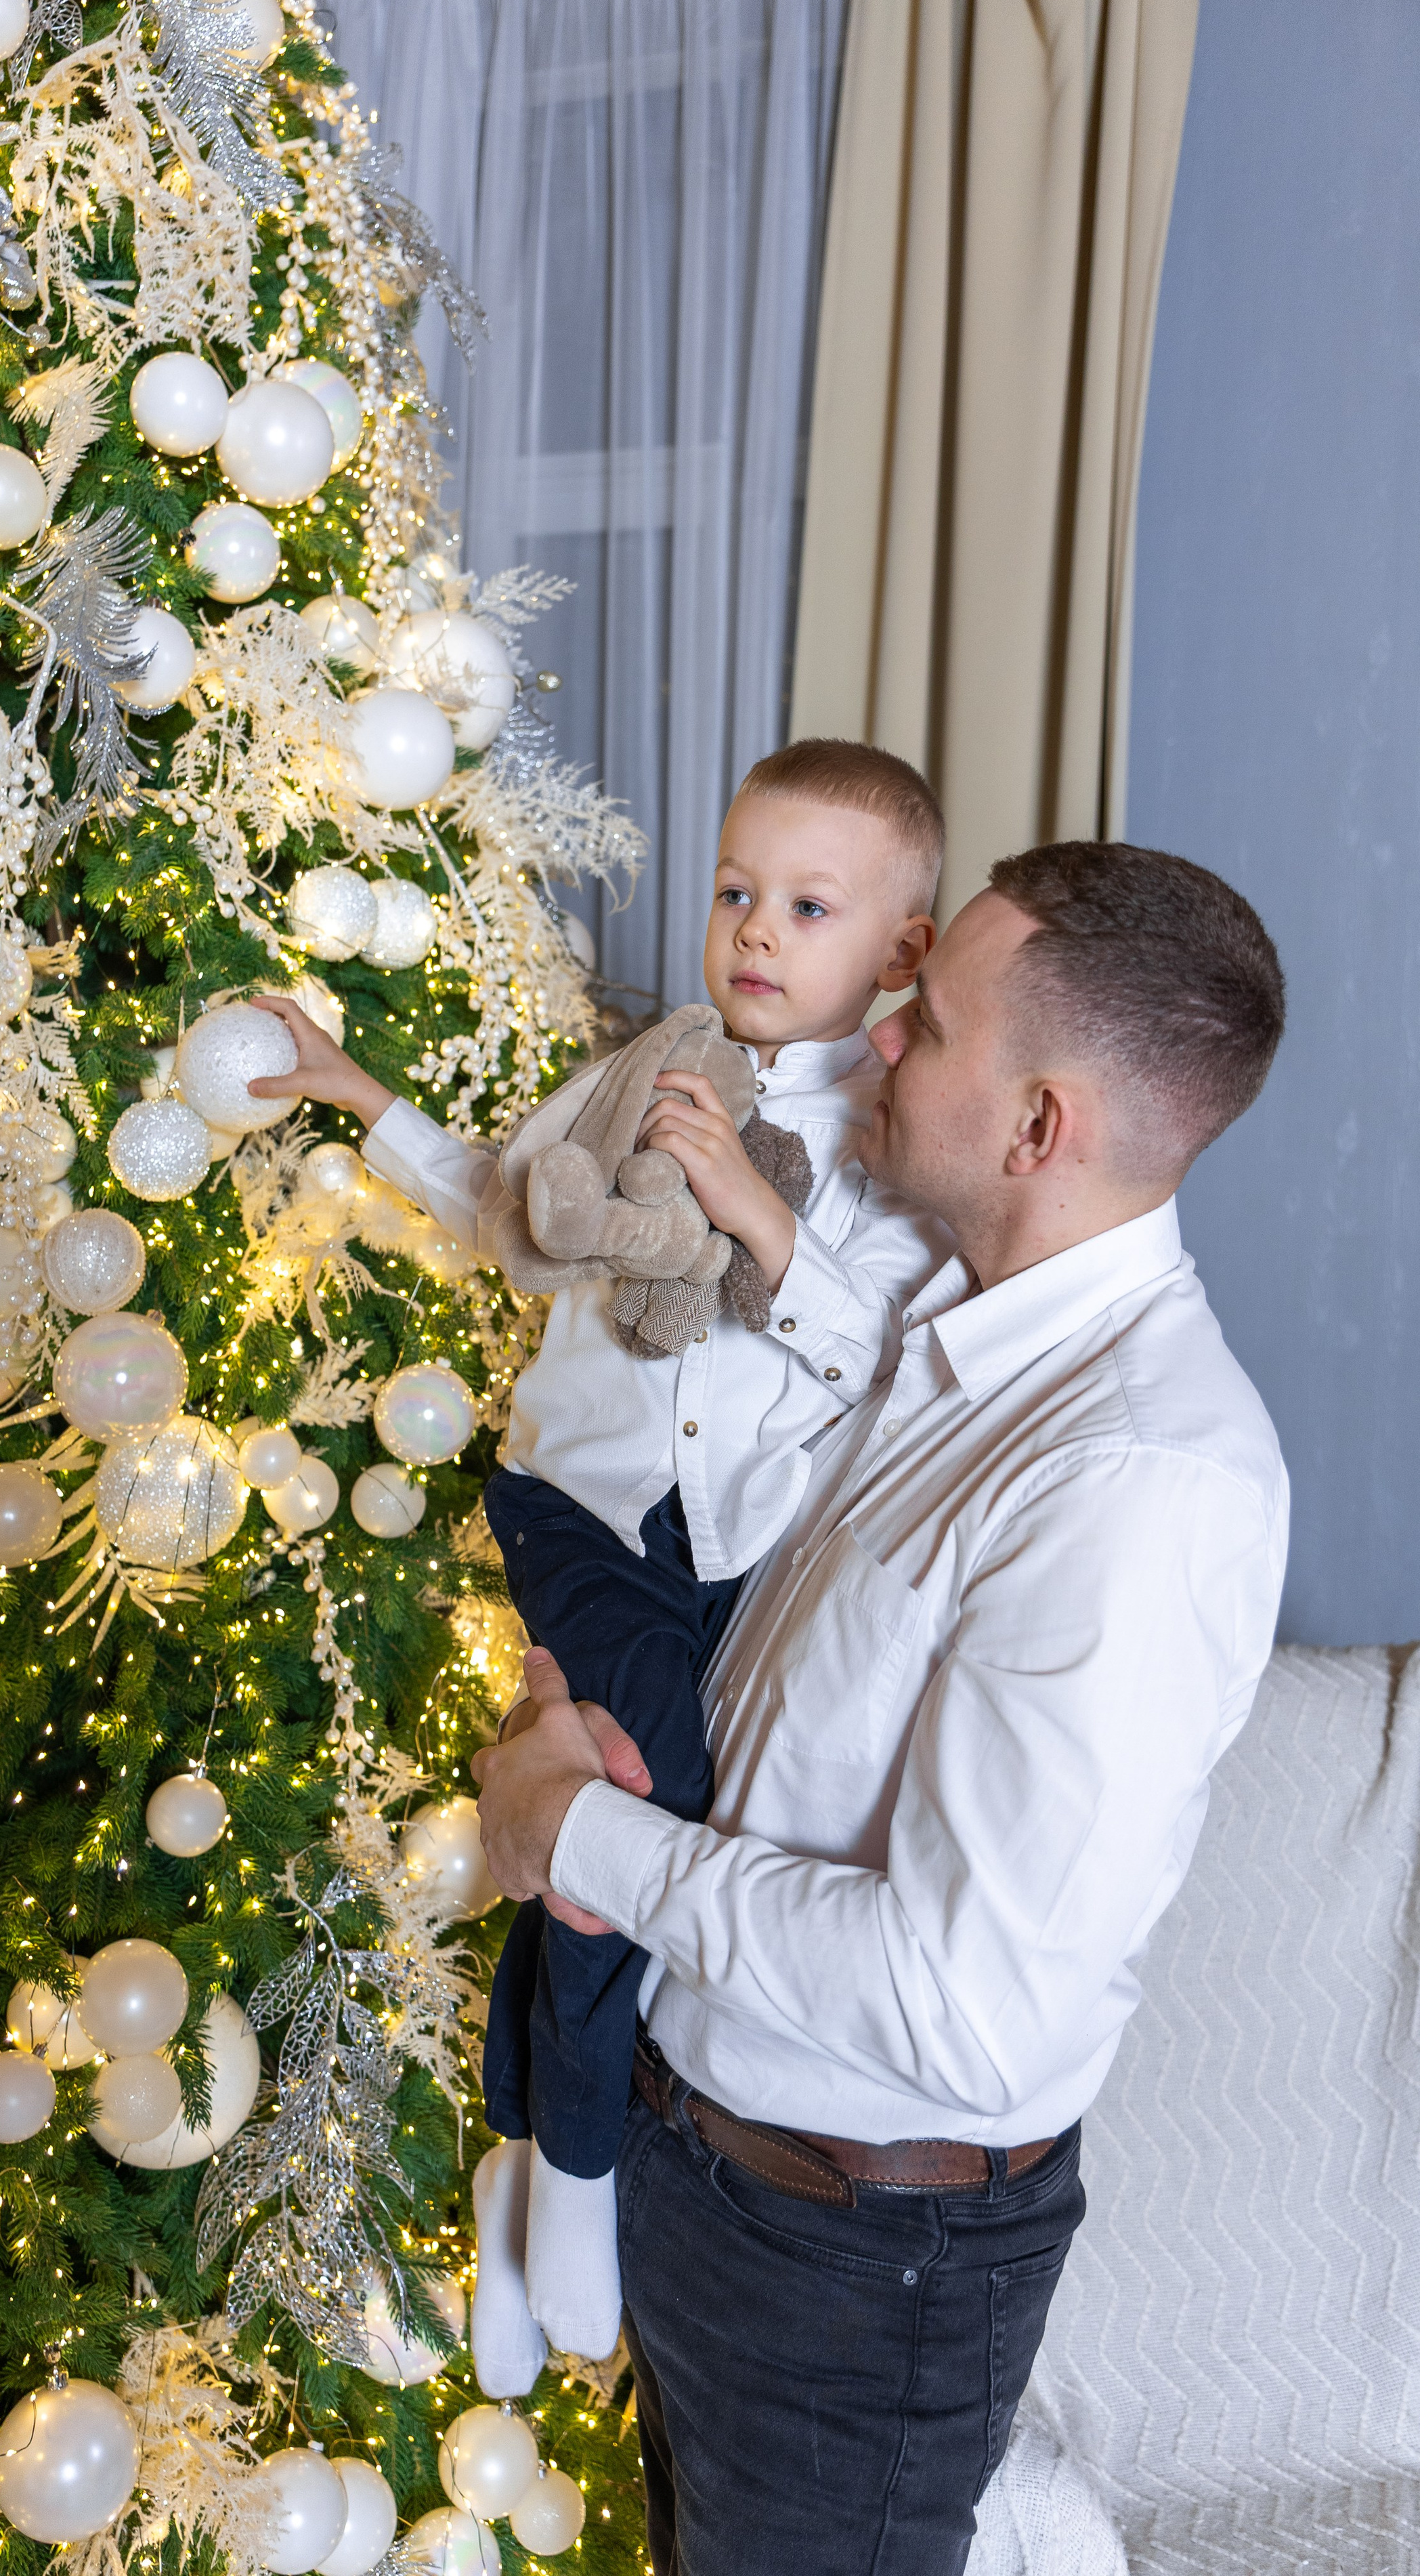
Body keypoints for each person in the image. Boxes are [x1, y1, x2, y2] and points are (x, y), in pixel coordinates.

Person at [472, 841, 1291, 2576]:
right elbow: (841, 1394)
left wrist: (586, 1836)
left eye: (932, 1018)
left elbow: (962, 2009)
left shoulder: (1141, 1481)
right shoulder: (961, 1331)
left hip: (845, 2269)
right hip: (728, 2179)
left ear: (1038, 1126)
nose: (885, 1032)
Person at [246, 738, 953, 2384]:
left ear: (901, 950)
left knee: (639, 1826)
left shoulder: (895, 1149)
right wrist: (362, 1097)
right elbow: (515, 1208)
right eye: (732, 893)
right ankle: (572, 2167)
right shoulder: (648, 1069)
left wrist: (753, 1216)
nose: (753, 931)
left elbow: (897, 1366)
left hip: (739, 1562)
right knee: (631, 1798)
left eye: (803, 905)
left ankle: (518, 2150)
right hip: (580, 1510)